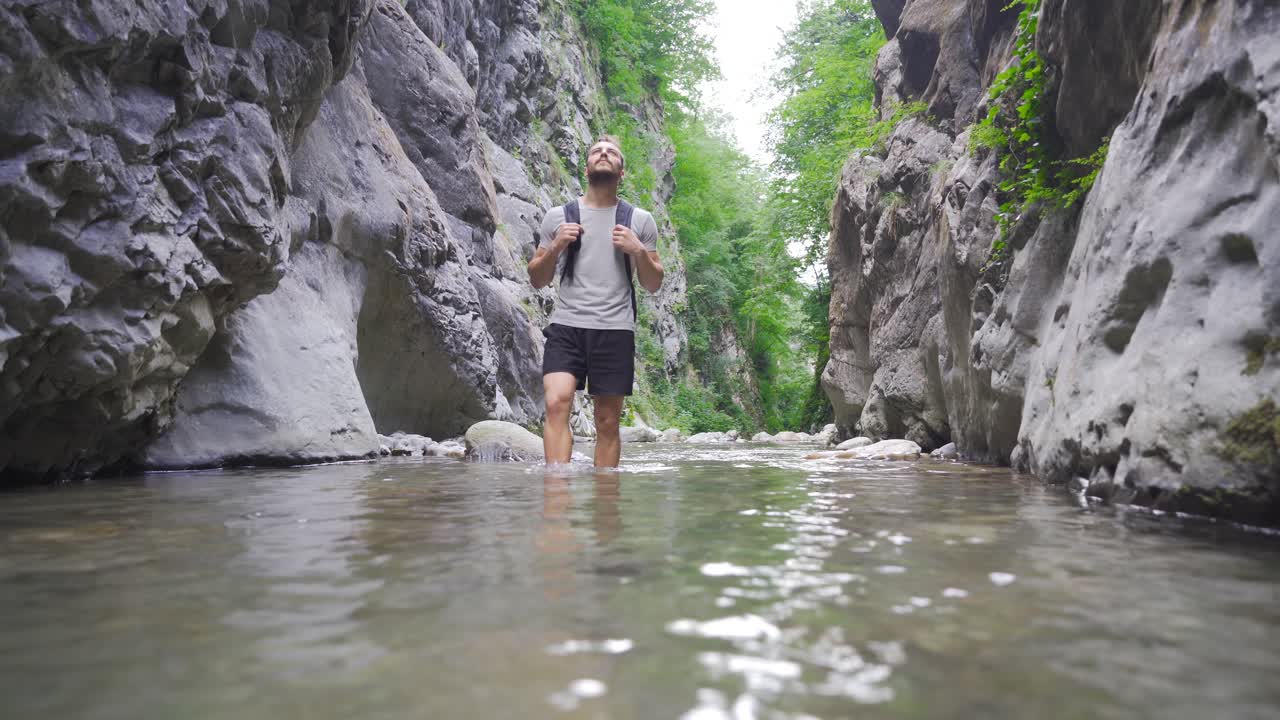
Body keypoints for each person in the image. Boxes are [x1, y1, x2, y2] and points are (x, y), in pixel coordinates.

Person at [527, 136, 664, 467]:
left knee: (606, 422)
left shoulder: (640, 221)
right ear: (586, 167)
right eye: (597, 152)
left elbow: (653, 282)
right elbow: (537, 277)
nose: (604, 155)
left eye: (612, 153)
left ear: (622, 171)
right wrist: (557, 244)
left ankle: (605, 506)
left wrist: (638, 250)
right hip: (566, 326)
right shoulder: (559, 216)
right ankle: (556, 494)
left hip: (615, 329)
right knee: (557, 403)